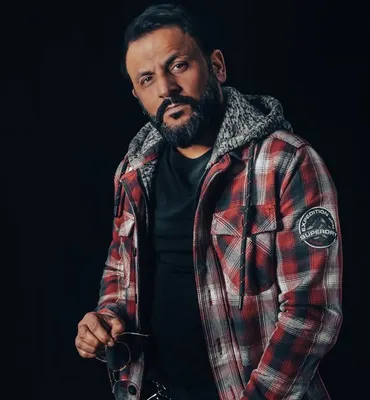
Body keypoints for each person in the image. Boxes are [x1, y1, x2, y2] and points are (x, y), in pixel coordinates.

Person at [75, 3, 343, 399]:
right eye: (147, 79)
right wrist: (106, 318)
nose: (166, 89)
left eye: (178, 65)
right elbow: (120, 271)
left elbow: (312, 313)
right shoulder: (133, 173)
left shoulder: (286, 162)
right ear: (137, 94)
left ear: (216, 66)